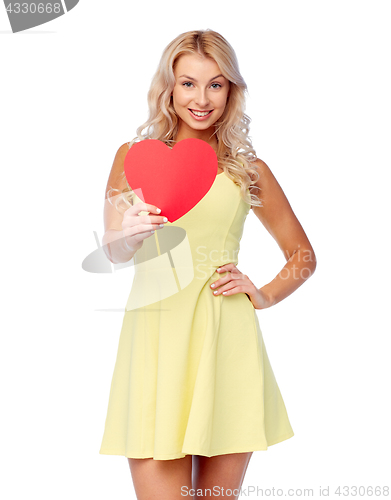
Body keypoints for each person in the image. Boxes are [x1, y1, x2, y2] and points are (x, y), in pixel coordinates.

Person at [99, 29, 317, 499]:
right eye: (188, 83)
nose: (202, 98)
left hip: (225, 340)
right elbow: (113, 251)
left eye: (216, 84)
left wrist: (262, 294)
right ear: (169, 88)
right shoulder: (133, 158)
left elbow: (303, 256)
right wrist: (129, 235)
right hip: (155, 340)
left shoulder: (247, 168)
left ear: (231, 91)